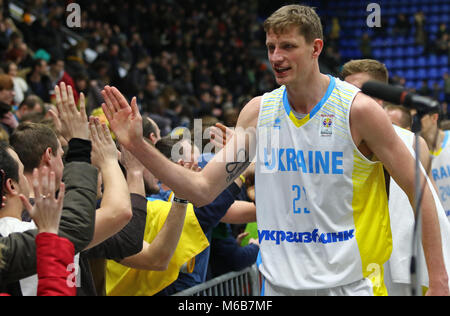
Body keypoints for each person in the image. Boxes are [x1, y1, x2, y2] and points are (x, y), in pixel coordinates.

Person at [102, 4, 449, 296]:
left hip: (347, 284)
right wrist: (135, 146)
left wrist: (438, 280)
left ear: (316, 48)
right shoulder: (258, 112)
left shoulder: (358, 111)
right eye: (271, 47)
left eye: (287, 46)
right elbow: (203, 190)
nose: (277, 57)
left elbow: (420, 190)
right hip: (278, 287)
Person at [341, 58, 450, 296]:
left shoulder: (411, 142)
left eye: (356, 91)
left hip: (404, 256)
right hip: (354, 255)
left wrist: (438, 275)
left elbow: (430, 204)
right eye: (344, 89)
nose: (348, 98)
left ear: (379, 97)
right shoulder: (335, 141)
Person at [0, 150, 75, 296]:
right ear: (11, 185)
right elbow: (119, 213)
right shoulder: (38, 230)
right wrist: (49, 233)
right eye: (21, 172)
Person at [421, 106, 450, 223]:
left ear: (434, 118)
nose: (415, 121)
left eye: (420, 116)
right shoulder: (417, 151)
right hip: (441, 224)